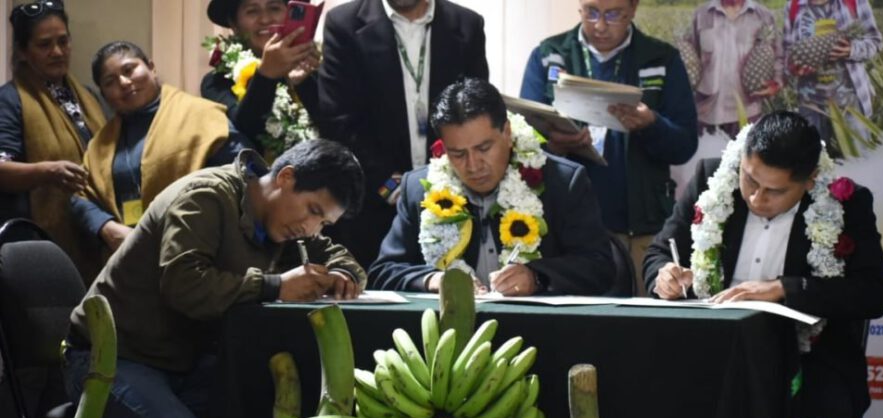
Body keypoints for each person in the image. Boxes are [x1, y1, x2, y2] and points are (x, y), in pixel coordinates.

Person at [644, 111, 883, 418]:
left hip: (808, 361)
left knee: (823, 415)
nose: (757, 198)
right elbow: (657, 253)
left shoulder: (846, 202)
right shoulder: (710, 178)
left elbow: (873, 293)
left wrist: (784, 288)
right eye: (749, 180)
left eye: (775, 191)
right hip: (715, 355)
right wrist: (663, 275)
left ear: (810, 181)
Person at [64, 139, 366, 418]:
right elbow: (184, 285)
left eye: (323, 223)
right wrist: (275, 286)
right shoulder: (205, 196)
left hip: (184, 363)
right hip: (111, 358)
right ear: (285, 177)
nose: (311, 228)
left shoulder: (285, 220)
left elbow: (340, 258)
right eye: (313, 211)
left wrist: (343, 274)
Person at [369, 78, 615, 296]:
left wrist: (536, 277)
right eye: (458, 154)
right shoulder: (419, 189)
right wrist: (433, 280)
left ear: (507, 132)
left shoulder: (562, 182)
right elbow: (383, 272)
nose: (473, 165)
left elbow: (599, 267)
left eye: (484, 148)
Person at [519, 0, 697, 296]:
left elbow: (685, 145)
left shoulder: (661, 58)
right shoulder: (549, 55)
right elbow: (523, 141)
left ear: (633, 8)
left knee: (644, 317)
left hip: (641, 228)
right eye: (591, 12)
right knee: (574, 318)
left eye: (613, 14)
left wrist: (651, 124)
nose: (600, 25)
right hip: (566, 231)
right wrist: (554, 144)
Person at [318, 0, 489, 268]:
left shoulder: (466, 24)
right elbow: (338, 121)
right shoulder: (344, 24)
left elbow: (475, 111)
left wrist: (443, 182)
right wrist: (391, 186)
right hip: (373, 206)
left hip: (452, 201)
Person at [72, 41, 252, 254]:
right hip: (131, 257)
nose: (124, 82)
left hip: (200, 249)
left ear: (151, 67)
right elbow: (80, 197)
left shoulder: (201, 116)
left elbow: (245, 176)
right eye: (110, 81)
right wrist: (107, 227)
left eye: (129, 70)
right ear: (104, 95)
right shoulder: (100, 145)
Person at [0, 0, 106, 282]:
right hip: (39, 246)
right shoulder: (10, 101)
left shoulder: (87, 96)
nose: (57, 52)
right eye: (44, 45)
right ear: (23, 52)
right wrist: (48, 171)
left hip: (93, 231)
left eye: (63, 41)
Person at [201, 0, 320, 150]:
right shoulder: (217, 82)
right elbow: (244, 136)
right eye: (252, 11)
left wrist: (304, 83)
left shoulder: (313, 68)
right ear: (234, 24)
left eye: (274, 8)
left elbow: (336, 128)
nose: (265, 19)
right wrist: (266, 75)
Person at [783, 0, 882, 152]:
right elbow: (786, 52)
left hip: (850, 104)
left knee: (860, 158)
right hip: (810, 105)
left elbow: (875, 41)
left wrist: (852, 50)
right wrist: (793, 67)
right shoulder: (794, 5)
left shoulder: (856, 2)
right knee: (814, 161)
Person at [687, 0, 782, 136]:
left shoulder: (763, 15)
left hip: (748, 112)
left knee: (745, 149)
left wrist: (776, 83)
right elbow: (690, 55)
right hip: (706, 113)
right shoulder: (702, 14)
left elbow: (778, 56)